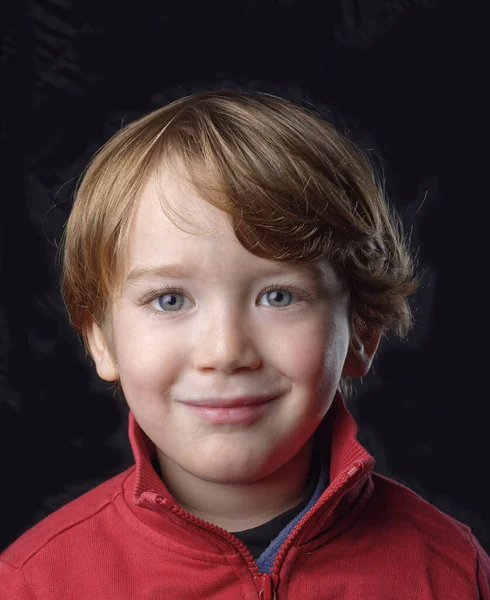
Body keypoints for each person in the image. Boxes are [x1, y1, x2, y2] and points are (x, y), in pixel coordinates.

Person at [1, 90, 488, 599]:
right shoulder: (34, 583)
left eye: (279, 296)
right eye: (169, 300)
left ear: (362, 331)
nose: (226, 352)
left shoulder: (450, 571)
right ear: (101, 340)